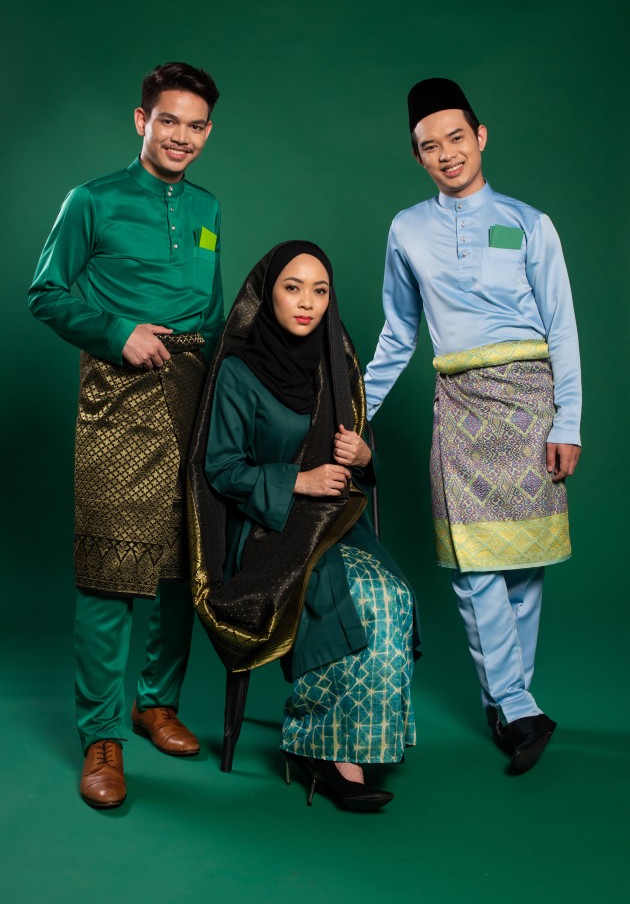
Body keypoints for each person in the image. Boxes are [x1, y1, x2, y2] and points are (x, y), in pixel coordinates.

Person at [364, 78, 581, 773]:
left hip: (531, 402)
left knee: (524, 562)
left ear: (480, 136)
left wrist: (569, 420)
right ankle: (514, 704)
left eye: (456, 137)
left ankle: (510, 701)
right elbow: (399, 333)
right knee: (474, 561)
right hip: (459, 402)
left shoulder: (530, 222)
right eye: (430, 146)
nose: (446, 153)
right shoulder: (406, 229)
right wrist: (355, 410)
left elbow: (562, 327)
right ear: (417, 156)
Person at [28, 62, 224, 808]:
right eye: (168, 120)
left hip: (193, 391)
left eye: (196, 126)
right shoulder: (92, 199)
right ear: (142, 120)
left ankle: (156, 703)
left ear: (208, 132)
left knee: (181, 562)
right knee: (110, 567)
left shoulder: (207, 207)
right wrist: (117, 332)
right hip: (117, 392)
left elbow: (210, 308)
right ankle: (102, 734)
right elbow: (45, 292)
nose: (181, 137)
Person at [187, 241, 420, 811]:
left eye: (320, 290)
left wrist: (364, 456)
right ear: (267, 293)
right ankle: (327, 753)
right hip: (265, 531)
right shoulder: (239, 370)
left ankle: (357, 742)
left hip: (333, 524)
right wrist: (301, 481)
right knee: (355, 598)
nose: (307, 302)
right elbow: (220, 469)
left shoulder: (334, 362)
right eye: (293, 288)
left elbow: (351, 461)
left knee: (390, 597)